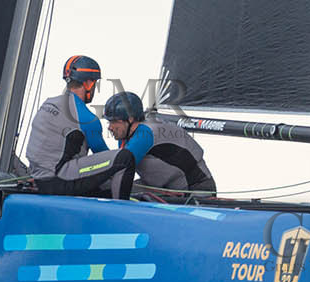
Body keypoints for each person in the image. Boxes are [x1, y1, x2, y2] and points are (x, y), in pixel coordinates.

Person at [25, 55, 133, 197]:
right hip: (60, 179)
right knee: (124, 158)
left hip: (37, 177)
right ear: (88, 84)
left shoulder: (48, 104)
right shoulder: (87, 118)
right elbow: (105, 157)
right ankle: (122, 211)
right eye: (95, 83)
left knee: (105, 186)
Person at [134, 103, 217, 197]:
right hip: (168, 190)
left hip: (196, 189)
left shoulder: (146, 133)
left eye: (116, 121)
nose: (112, 127)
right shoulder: (127, 134)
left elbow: (123, 163)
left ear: (129, 120)